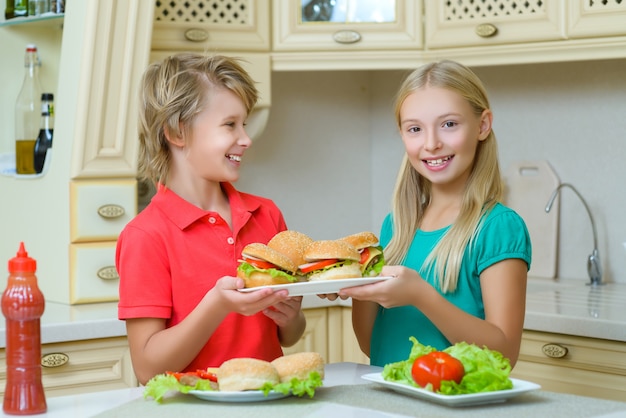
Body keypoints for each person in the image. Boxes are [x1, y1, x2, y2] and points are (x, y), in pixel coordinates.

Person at [115, 53, 305, 385]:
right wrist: (215, 306)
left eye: (244, 123)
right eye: (230, 124)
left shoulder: (266, 215)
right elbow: (147, 370)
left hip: (269, 405)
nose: (246, 138)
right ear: (177, 131)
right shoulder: (146, 235)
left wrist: (291, 317)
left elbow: (289, 335)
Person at [339, 60, 531, 367]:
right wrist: (357, 288)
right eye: (415, 129)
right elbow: (370, 342)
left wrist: (421, 295)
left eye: (449, 124)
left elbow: (504, 354)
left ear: (482, 125)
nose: (431, 143)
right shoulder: (396, 227)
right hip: (392, 403)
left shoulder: (498, 227)